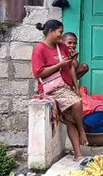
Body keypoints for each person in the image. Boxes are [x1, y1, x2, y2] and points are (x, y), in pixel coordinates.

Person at [32, 19, 89, 159]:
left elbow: (70, 67)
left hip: (65, 87)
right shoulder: (39, 49)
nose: (61, 35)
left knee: (70, 120)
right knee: (77, 102)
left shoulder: (61, 47)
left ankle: (78, 155)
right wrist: (59, 65)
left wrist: (76, 87)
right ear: (51, 32)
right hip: (51, 89)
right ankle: (82, 130)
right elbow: (38, 73)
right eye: (60, 32)